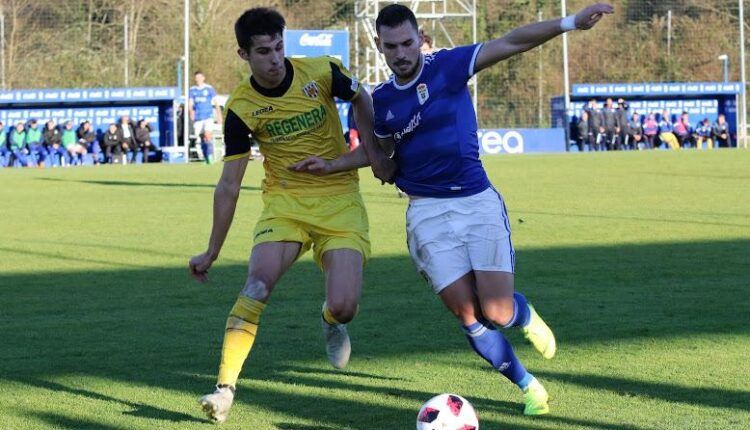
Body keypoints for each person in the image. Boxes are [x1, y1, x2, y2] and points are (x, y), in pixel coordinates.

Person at [296, 2, 613, 417]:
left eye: (408, 42)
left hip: (476, 202)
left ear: (420, 38)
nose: (401, 53)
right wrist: (336, 162)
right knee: (468, 315)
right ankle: (529, 386)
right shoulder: (382, 100)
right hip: (426, 214)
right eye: (391, 46)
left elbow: (512, 42)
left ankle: (524, 313)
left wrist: (570, 22)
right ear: (379, 46)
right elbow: (384, 162)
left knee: (497, 311)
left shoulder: (449, 66)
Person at [188, 7, 391, 423]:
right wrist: (211, 251)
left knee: (345, 305)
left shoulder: (322, 71)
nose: (275, 58)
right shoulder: (242, 107)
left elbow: (363, 97)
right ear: (243, 55)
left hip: (339, 200)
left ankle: (330, 320)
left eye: (279, 47)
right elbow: (229, 184)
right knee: (257, 284)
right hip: (286, 203)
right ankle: (224, 389)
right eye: (263, 51)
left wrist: (369, 148)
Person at [189, 71, 222, 164]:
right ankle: (205, 157)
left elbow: (216, 102)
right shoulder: (192, 90)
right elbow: (190, 103)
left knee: (208, 136)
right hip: (198, 118)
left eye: (200, 77)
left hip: (208, 116)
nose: (198, 79)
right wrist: (191, 112)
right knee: (199, 138)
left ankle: (210, 156)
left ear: (203, 78)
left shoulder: (209, 88)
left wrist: (219, 115)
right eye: (196, 78)